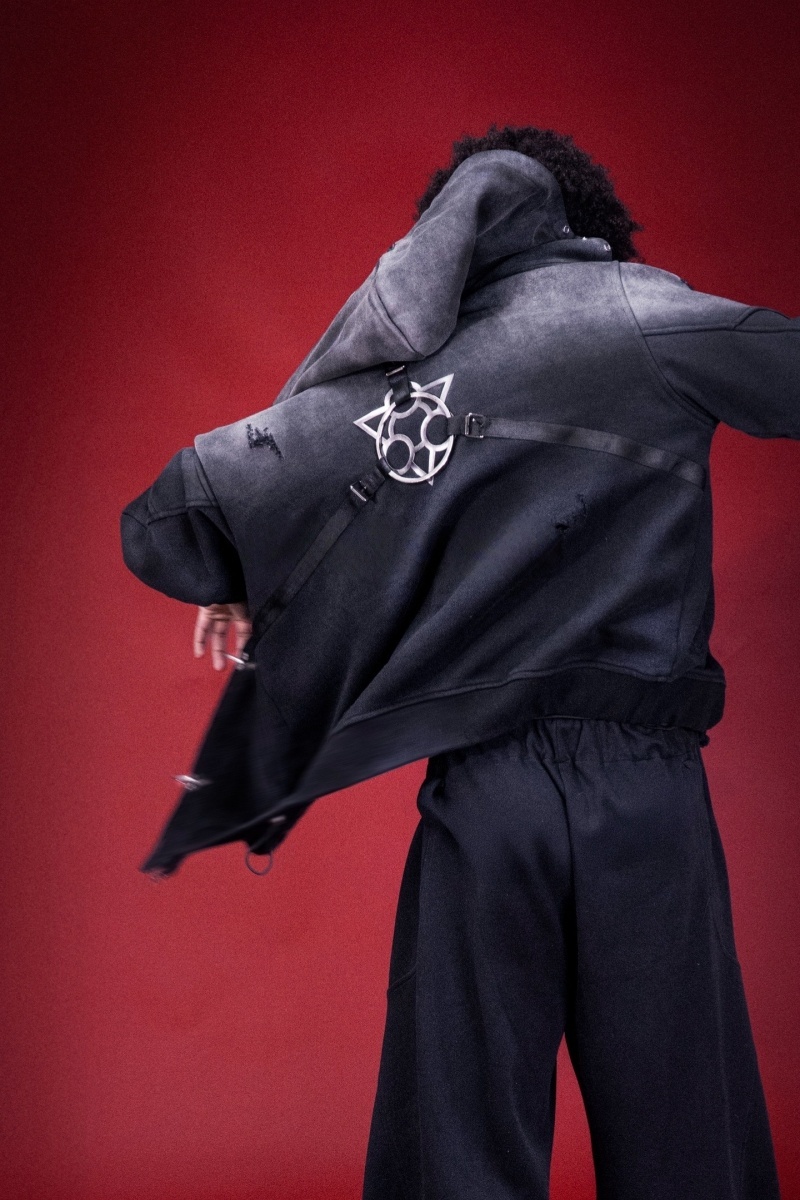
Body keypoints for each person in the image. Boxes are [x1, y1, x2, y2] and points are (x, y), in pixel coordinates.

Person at [121, 125, 799, 1198]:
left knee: (456, 1146)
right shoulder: (644, 316)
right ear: (592, 226)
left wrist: (238, 572)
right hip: (644, 793)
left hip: (483, 795)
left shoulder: (410, 380)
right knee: (685, 1143)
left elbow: (175, 511)